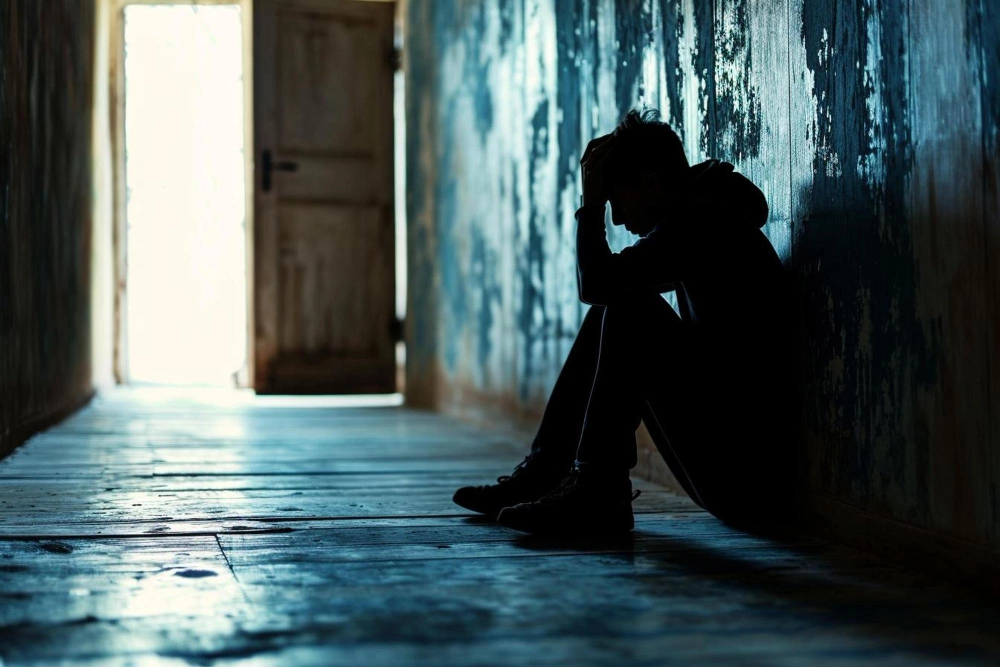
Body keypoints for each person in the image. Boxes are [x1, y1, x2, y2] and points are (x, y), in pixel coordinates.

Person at [453, 108, 794, 536]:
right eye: (608, 207)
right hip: (733, 462)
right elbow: (602, 289)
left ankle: (597, 491)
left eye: (617, 201)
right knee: (613, 308)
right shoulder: (704, 214)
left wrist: (589, 208)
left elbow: (596, 282)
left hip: (748, 481)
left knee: (627, 307)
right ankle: (549, 473)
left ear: (651, 182)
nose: (616, 219)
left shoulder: (703, 223)